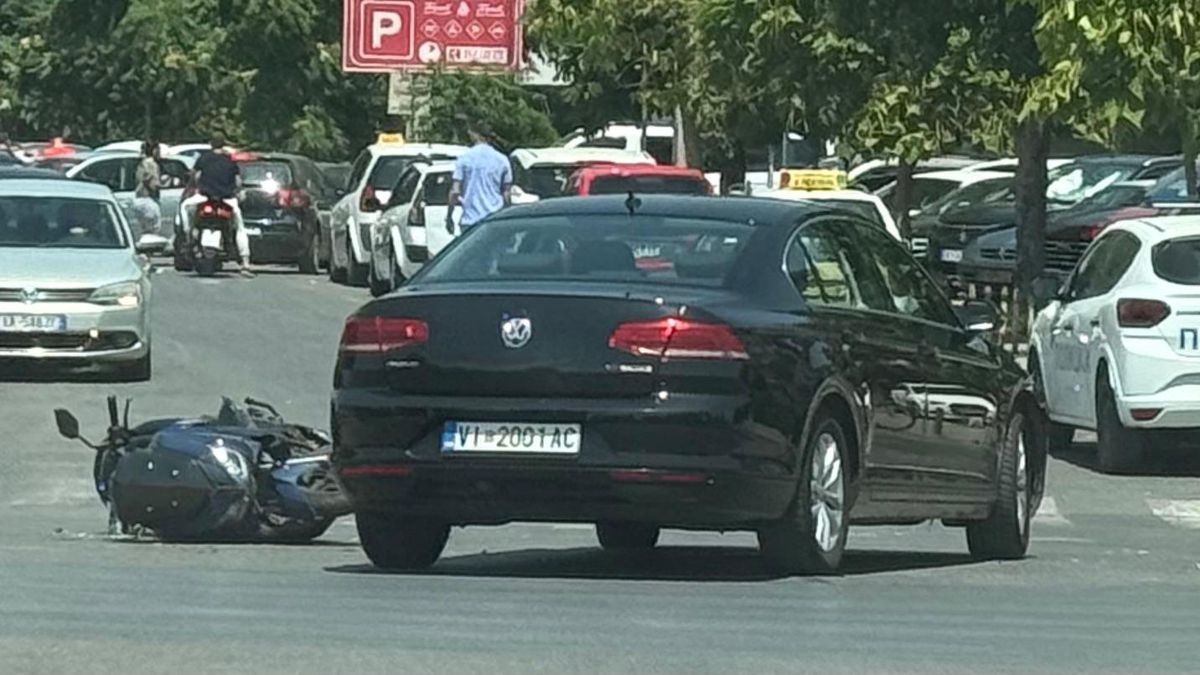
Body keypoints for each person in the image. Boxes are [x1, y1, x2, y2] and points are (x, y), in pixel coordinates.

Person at [181, 133, 253, 277]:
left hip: (204, 198)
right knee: (239, 227)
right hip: (226, 200)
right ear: (223, 144)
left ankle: (188, 235)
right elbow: (238, 182)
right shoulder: (230, 161)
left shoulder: (204, 158)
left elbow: (194, 177)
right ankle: (245, 261)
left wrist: (189, 189)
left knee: (184, 206)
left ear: (211, 143)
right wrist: (237, 192)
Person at [446, 122, 512, 234]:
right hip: (494, 219)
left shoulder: (464, 158)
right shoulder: (502, 160)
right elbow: (506, 193)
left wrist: (449, 216)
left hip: (471, 220)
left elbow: (455, 191)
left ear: (475, 135)